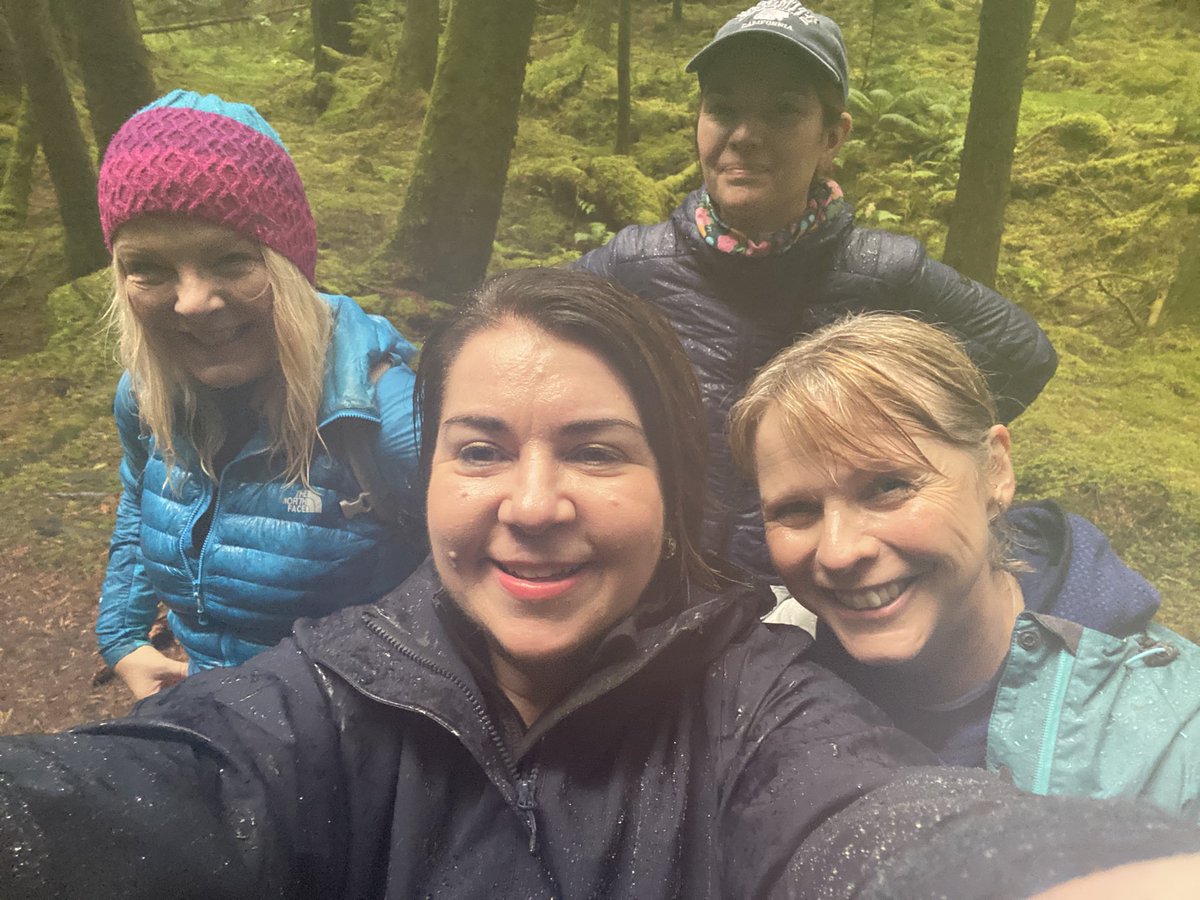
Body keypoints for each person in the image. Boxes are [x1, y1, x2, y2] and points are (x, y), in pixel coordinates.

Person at [3, 269, 1200, 899]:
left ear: (674, 492)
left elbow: (865, 820)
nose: (531, 503)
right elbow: (150, 789)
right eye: (480, 449)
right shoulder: (325, 693)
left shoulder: (760, 704)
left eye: (595, 449)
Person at [577, 1, 1058, 592]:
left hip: (819, 586)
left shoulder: (883, 272)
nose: (745, 136)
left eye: (783, 111)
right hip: (657, 575)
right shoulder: (635, 265)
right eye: (722, 109)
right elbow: (513, 343)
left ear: (832, 135)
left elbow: (1022, 353)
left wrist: (906, 453)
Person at [728, 311, 1200, 818]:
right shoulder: (755, 682)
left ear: (995, 470)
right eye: (796, 510)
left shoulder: (1177, 734)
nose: (839, 552)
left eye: (888, 487)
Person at [94, 90, 425, 698]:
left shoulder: (387, 415)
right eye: (150, 269)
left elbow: (476, 596)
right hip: (208, 725)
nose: (192, 301)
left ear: (287, 264)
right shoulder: (145, 397)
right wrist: (122, 636)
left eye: (230, 260)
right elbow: (139, 499)